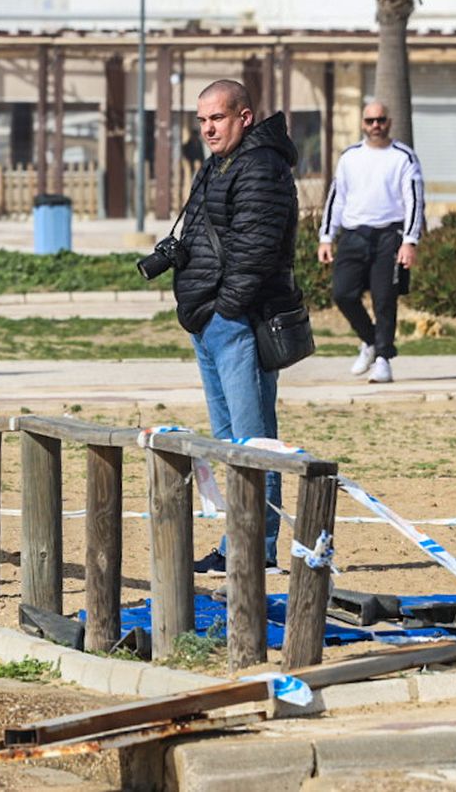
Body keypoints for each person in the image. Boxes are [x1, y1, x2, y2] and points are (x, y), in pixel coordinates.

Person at [173, 80, 298, 573]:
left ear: (244, 117)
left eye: (217, 118)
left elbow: (257, 249)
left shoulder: (262, 166)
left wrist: (227, 308)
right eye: (202, 120)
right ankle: (236, 544)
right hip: (208, 320)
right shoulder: (218, 164)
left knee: (253, 440)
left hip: (237, 321)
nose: (207, 128)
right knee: (230, 442)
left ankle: (256, 549)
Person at [317, 98, 425, 384]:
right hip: (353, 235)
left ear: (389, 123)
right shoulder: (350, 157)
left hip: (389, 236)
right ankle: (369, 341)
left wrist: (410, 241)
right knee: (343, 294)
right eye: (370, 121)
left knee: (384, 299)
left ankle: (383, 359)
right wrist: (326, 237)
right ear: (362, 124)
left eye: (380, 120)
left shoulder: (403, 156)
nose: (375, 126)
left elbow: (414, 201)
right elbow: (335, 199)